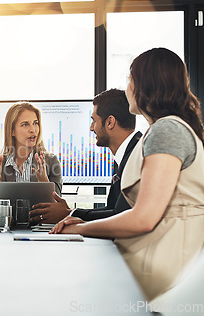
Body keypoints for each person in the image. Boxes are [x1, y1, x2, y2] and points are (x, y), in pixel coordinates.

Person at [51, 47, 204, 300]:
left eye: (130, 79)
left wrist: (79, 229)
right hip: (175, 264)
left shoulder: (166, 131)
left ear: (145, 84)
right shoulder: (168, 128)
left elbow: (143, 218)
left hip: (169, 268)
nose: (127, 87)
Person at [29, 89, 142, 224]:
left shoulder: (136, 156)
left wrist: (69, 214)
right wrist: (71, 212)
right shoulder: (126, 154)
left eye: (94, 120)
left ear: (110, 122)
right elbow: (113, 209)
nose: (91, 128)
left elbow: (120, 216)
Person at [0, 102, 62, 195]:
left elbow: (57, 206)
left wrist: (44, 181)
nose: (33, 129)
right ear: (12, 131)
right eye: (25, 124)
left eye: (35, 123)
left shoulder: (51, 162)